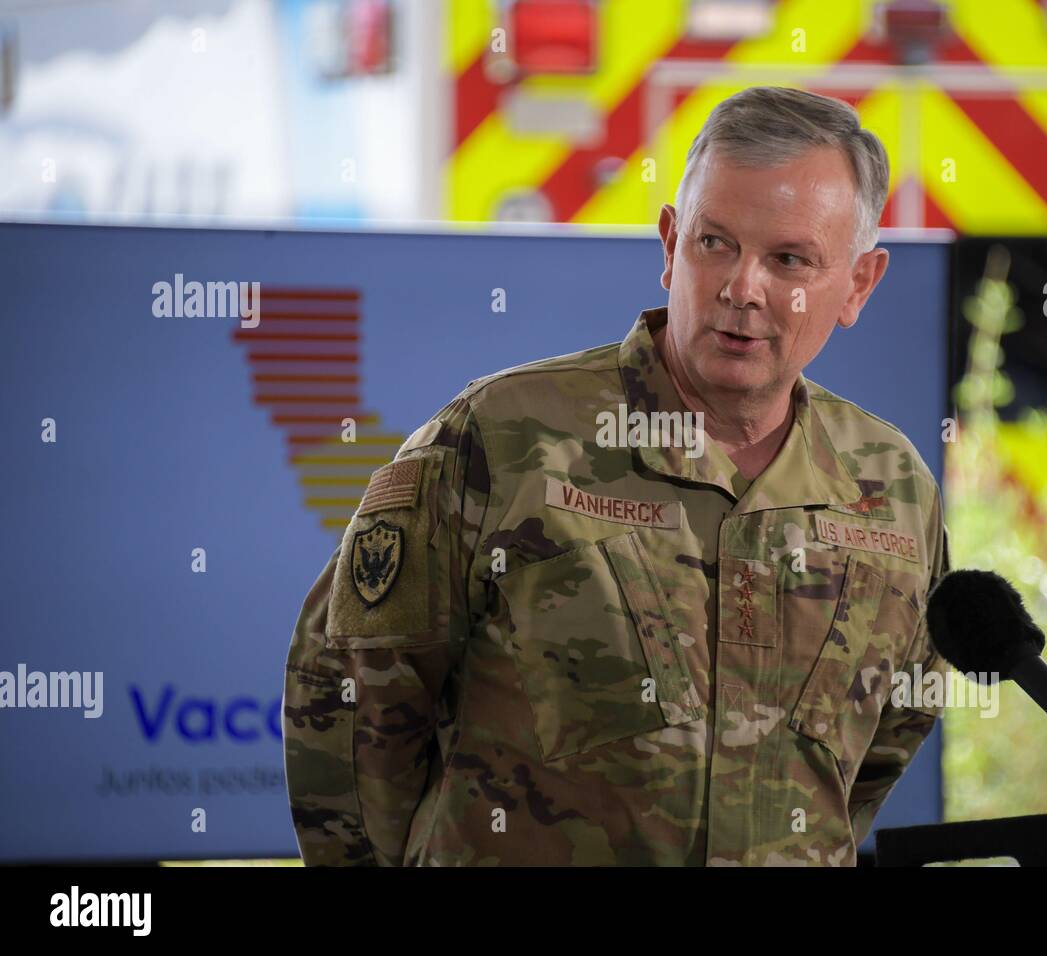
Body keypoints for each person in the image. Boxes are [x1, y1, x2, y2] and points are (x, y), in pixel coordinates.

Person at [283, 85, 950, 866]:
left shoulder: (892, 486)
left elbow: (882, 742)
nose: (742, 288)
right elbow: (348, 697)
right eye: (715, 243)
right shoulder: (503, 439)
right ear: (670, 243)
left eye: (789, 259)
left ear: (859, 284)